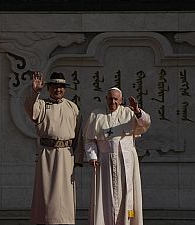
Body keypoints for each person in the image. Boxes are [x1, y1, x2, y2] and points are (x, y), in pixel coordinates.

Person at [84, 87, 151, 225]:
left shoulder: (129, 112)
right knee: (105, 198)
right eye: (110, 98)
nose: (113, 102)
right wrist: (92, 156)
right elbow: (89, 140)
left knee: (127, 197)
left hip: (126, 161)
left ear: (121, 100)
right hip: (104, 163)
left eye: (116, 99)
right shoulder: (96, 115)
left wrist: (137, 111)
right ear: (106, 99)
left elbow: (145, 124)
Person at [24, 71, 84, 225]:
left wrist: (77, 158)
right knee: (46, 193)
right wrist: (35, 91)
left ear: (65, 89)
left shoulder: (73, 107)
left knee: (65, 195)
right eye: (55, 86)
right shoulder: (41, 105)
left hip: (66, 155)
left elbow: (78, 135)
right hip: (47, 155)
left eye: (61, 87)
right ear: (49, 88)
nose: (58, 90)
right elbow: (30, 109)